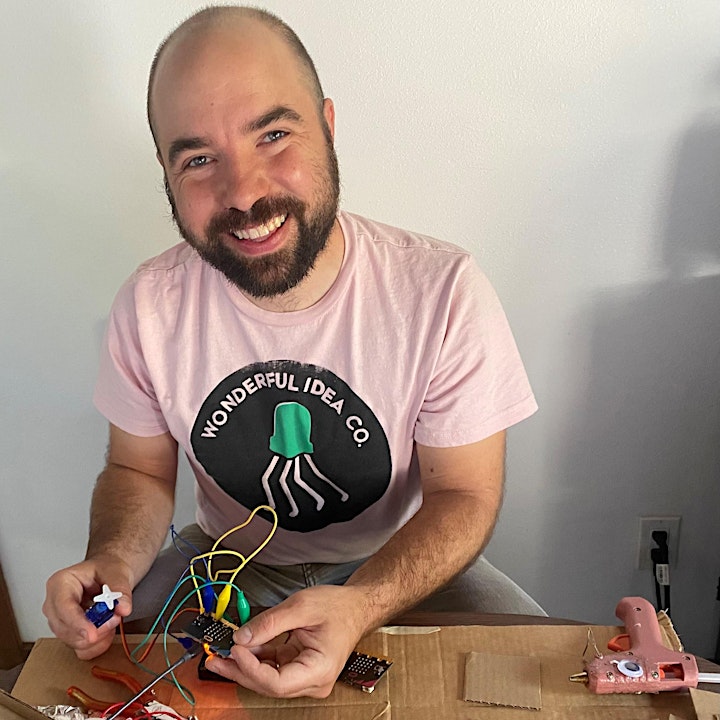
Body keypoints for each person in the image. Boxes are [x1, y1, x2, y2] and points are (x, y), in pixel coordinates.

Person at [43, 5, 543, 699]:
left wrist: (361, 604)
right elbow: (139, 470)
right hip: (221, 563)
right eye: (198, 159)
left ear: (328, 127)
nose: (244, 192)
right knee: (88, 677)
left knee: (535, 678)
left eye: (273, 134)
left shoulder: (443, 290)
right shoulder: (149, 303)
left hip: (392, 562)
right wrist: (113, 565)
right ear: (165, 172)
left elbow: (465, 493)